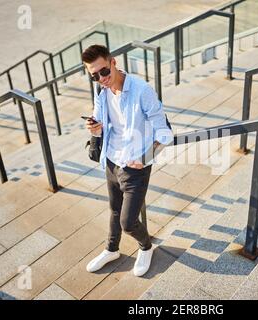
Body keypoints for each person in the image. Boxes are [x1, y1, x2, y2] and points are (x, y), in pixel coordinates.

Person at [82, 45, 173, 277]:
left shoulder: (142, 90)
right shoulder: (101, 92)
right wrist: (94, 129)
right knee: (114, 210)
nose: (100, 79)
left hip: (135, 167)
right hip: (111, 161)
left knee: (128, 222)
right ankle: (111, 249)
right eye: (94, 75)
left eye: (103, 72)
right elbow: (101, 125)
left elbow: (164, 131)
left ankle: (146, 247)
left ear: (113, 62)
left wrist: (146, 158)